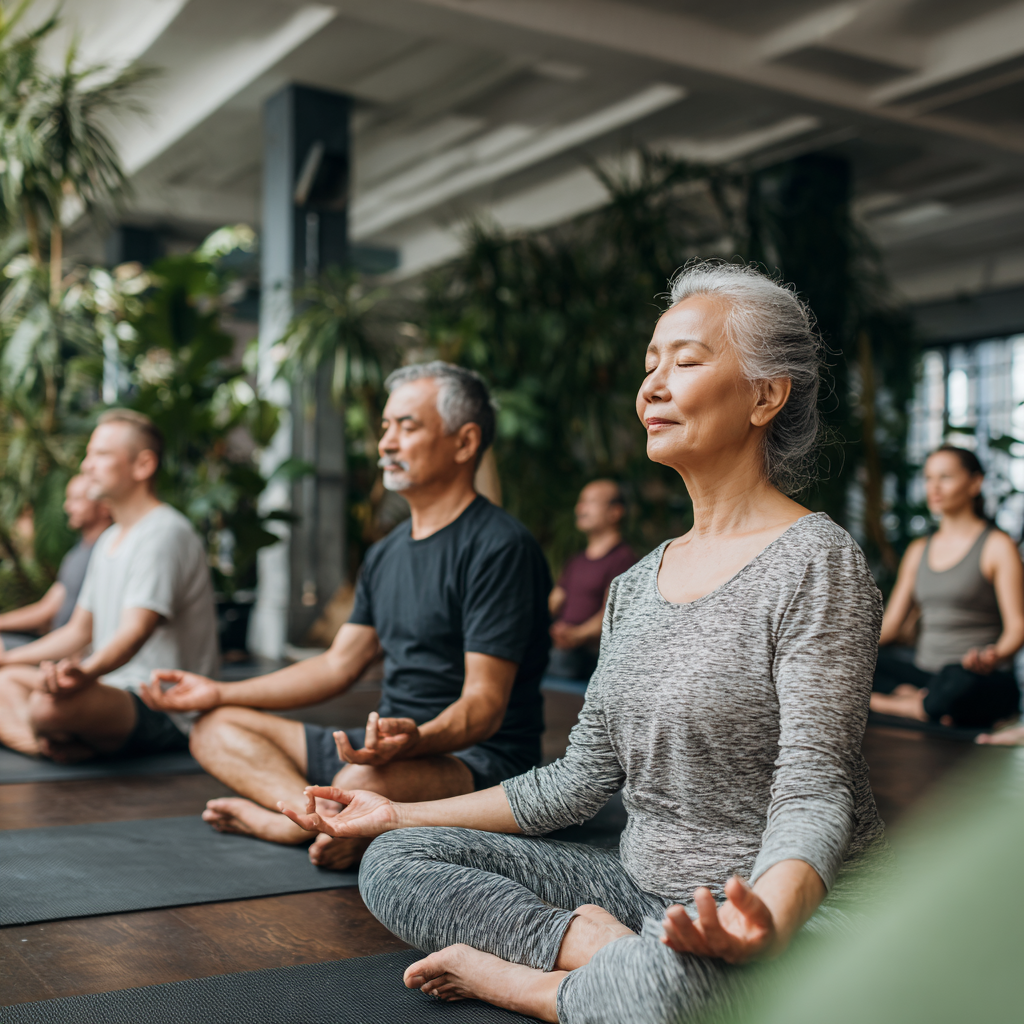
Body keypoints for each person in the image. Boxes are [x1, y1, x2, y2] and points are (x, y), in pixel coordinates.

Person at [279, 262, 888, 1024]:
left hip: (787, 913)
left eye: (687, 361)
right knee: (395, 863)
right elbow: (575, 781)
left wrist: (759, 923)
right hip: (638, 894)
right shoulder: (634, 586)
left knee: (719, 988)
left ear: (766, 395)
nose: (653, 387)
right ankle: (603, 954)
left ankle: (539, 985)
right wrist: (393, 817)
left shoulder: (815, 561)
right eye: (649, 365)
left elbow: (814, 788)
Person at [140, 362, 551, 871]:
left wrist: (418, 740)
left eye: (408, 426)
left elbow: (484, 707)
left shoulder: (499, 547)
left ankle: (303, 817)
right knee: (212, 728)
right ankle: (315, 819)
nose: (386, 444)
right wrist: (217, 691)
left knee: (359, 783)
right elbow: (338, 665)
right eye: (385, 428)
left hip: (474, 760)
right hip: (381, 752)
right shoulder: (385, 554)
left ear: (464, 443)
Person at [0, 410, 218, 763]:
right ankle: (54, 745)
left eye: (100, 455)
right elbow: (77, 632)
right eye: (89, 455)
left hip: (161, 703)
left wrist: (84, 673)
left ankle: (50, 740)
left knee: (46, 707)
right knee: (7, 680)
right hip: (110, 688)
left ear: (142, 465)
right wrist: (8, 659)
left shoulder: (164, 532)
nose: (87, 466)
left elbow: (134, 633)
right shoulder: (109, 539)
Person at [870, 445, 1024, 730]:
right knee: (855, 666)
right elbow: (890, 625)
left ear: (975, 483)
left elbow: (1017, 628)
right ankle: (927, 704)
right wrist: (842, 648)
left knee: (959, 683)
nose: (934, 488)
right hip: (925, 675)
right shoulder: (918, 551)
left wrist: (994, 656)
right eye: (928, 478)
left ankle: (891, 704)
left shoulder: (997, 547)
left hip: (973, 676)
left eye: (945, 477)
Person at [0, 475, 112, 651]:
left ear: (105, 506)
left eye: (77, 499)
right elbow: (46, 608)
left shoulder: (109, 551)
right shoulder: (77, 554)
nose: (67, 507)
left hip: (70, 653)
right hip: (52, 642)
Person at [546, 480, 636, 682]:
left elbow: (612, 613)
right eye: (580, 502)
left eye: (590, 502)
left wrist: (576, 635)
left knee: (558, 660)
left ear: (615, 512)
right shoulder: (576, 560)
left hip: (590, 654)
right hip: (562, 648)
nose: (580, 508)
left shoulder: (623, 559)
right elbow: (554, 601)